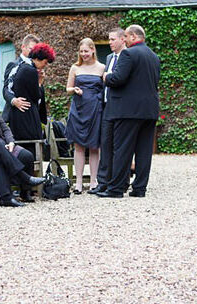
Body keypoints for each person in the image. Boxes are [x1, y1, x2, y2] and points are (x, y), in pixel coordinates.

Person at [97, 24, 161, 198]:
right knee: (144, 151)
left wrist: (106, 77)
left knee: (122, 149)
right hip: (149, 110)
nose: (123, 39)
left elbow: (118, 79)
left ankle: (116, 189)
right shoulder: (154, 56)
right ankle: (139, 189)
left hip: (127, 110)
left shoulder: (128, 54)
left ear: (133, 36)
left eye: (125, 36)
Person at [65, 37, 105, 194]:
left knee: (95, 146)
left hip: (95, 109)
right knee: (78, 146)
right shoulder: (75, 67)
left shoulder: (102, 68)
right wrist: (74, 90)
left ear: (93, 50)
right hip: (78, 109)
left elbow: (106, 89)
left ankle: (94, 181)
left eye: (86, 51)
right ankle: (79, 182)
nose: (83, 54)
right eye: (81, 52)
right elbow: (68, 87)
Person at [91, 28, 126, 195]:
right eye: (109, 39)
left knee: (118, 147)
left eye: (113, 39)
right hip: (106, 106)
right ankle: (102, 182)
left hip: (120, 107)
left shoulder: (128, 57)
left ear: (122, 39)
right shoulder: (109, 57)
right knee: (105, 145)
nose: (110, 42)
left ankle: (118, 182)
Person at [8, 42, 53, 143]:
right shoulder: (30, 70)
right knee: (32, 148)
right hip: (27, 116)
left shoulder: (22, 66)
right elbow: (36, 96)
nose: (45, 65)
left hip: (18, 115)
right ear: (38, 58)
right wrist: (40, 82)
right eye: (45, 62)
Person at [1, 34, 41, 121]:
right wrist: (14, 100)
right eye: (31, 49)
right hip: (13, 114)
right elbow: (5, 89)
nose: (33, 53)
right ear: (23, 47)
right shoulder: (13, 65)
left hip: (31, 115)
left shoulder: (36, 67)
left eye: (35, 50)